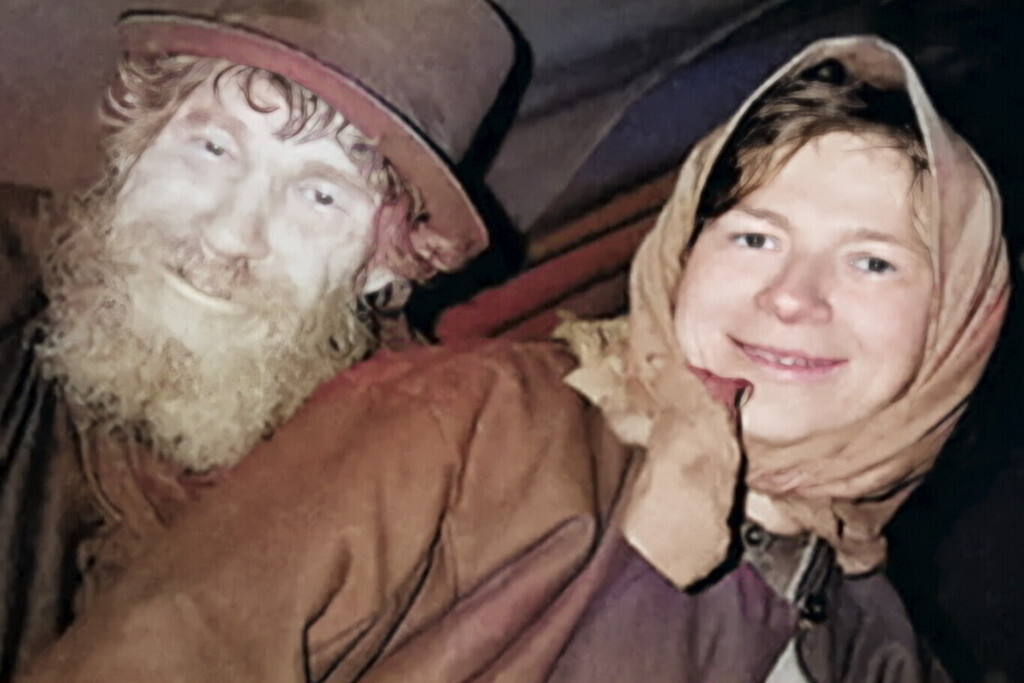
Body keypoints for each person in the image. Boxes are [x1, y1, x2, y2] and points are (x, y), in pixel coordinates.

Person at [16, 36, 1008, 683]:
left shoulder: (878, 640)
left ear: (958, 321)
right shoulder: (470, 420)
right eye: (754, 235)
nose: (792, 296)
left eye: (873, 261)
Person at [0, 0, 514, 677]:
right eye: (213, 148)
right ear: (133, 145)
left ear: (382, 265)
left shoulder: (407, 488)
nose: (228, 236)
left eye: (320, 196)